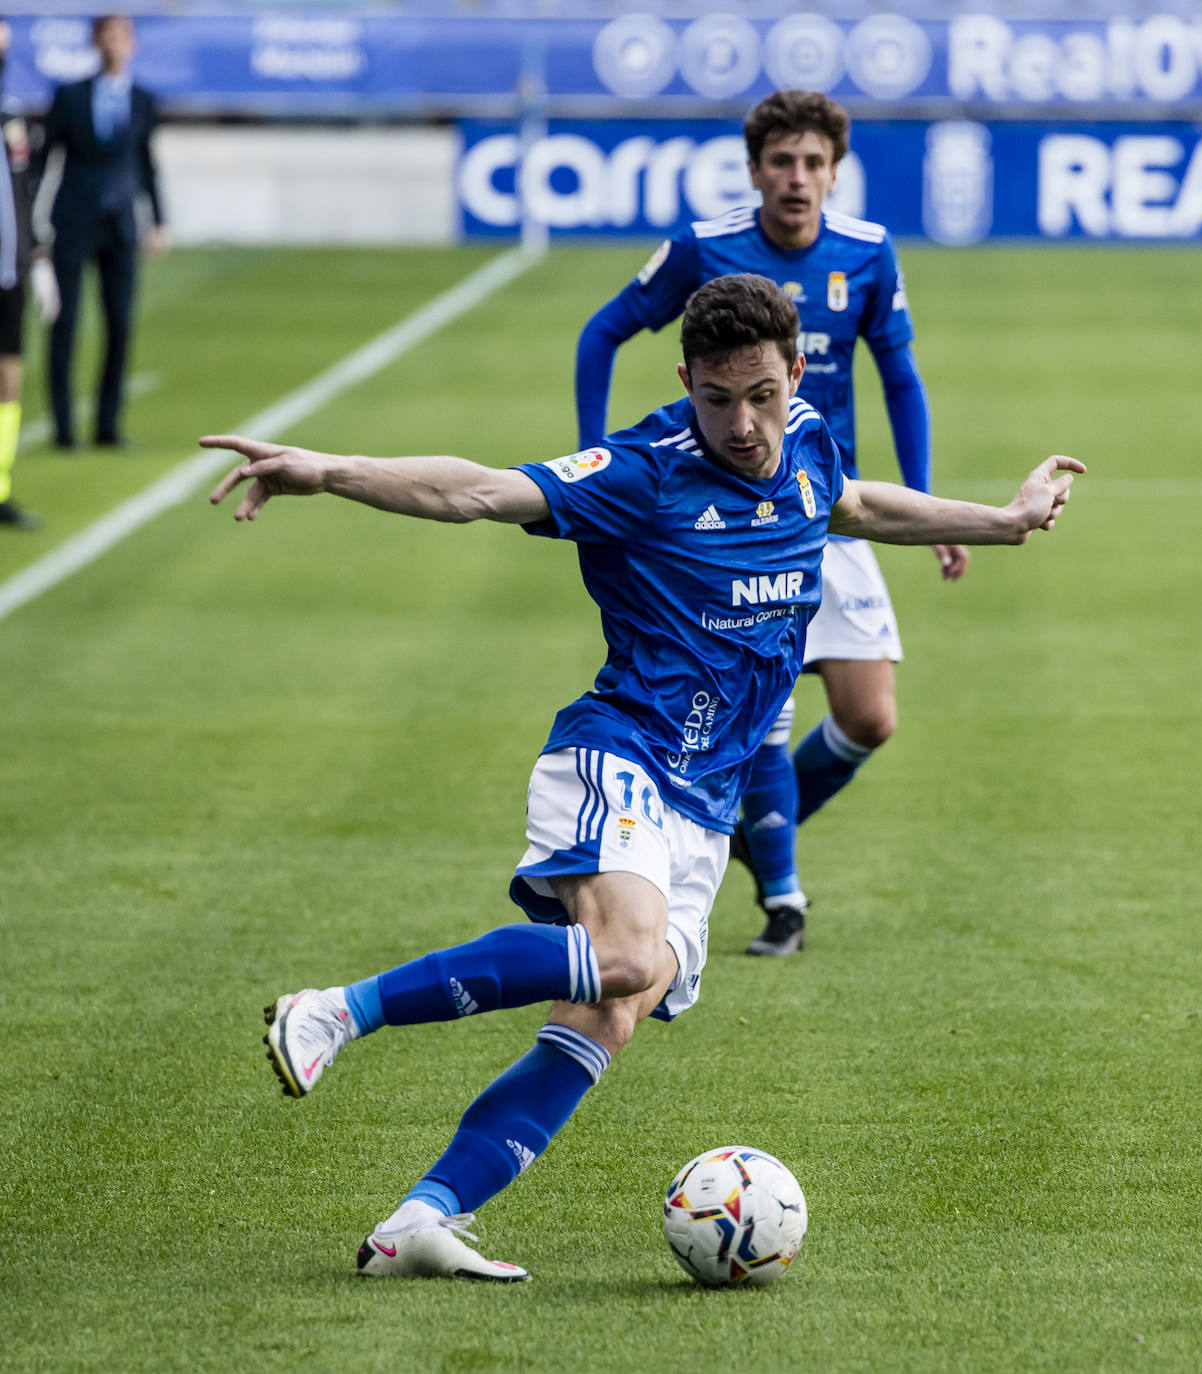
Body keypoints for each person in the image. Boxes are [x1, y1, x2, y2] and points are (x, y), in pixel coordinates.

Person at [206, 274, 1082, 1281]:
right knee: (619, 959)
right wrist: (328, 469)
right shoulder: (641, 471)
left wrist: (1002, 520)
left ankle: (419, 1219)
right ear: (686, 381)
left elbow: (854, 504)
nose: (744, 424)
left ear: (797, 374)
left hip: (704, 812)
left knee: (607, 1014)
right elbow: (476, 490)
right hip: (619, 754)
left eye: (762, 394)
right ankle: (334, 1010)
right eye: (718, 399)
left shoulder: (805, 445)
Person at [577, 89, 963, 957]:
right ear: (754, 170)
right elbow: (601, 333)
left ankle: (754, 831)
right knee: (765, 715)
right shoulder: (704, 248)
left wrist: (929, 499)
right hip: (727, 519)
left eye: (813, 163)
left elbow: (900, 378)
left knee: (869, 718)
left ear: (835, 171)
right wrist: (592, 457)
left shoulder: (866, 253)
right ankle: (782, 898)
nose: (797, 178)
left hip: (832, 509)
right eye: (780, 162)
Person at [30, 12, 165, 451]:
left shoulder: (143, 99)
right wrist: (28, 218)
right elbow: (42, 159)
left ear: (132, 44)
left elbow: (146, 164)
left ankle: (108, 426)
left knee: (121, 324)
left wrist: (158, 220)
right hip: (74, 219)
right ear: (95, 42)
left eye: (122, 37)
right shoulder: (69, 96)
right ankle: (64, 428)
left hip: (120, 223)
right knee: (65, 324)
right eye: (107, 36)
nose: (114, 44)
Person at [0, 15, 59, 528]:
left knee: (8, 380)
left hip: (9, 273)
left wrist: (37, 256)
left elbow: (23, 195)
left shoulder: (14, 121)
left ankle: (0, 486)